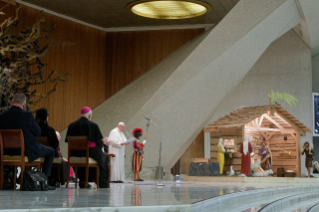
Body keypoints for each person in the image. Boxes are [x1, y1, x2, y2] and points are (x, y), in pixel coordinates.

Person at [0, 93, 56, 190]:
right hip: (26, 150)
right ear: (24, 105)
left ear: (12, 102)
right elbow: (38, 132)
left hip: (7, 151)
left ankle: (10, 179)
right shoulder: (28, 115)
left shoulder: (2, 116)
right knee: (51, 151)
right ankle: (44, 182)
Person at [65, 106, 109, 188]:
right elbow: (99, 143)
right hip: (89, 151)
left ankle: (82, 181)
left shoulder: (71, 125)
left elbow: (68, 142)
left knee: (91, 157)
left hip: (74, 153)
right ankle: (102, 184)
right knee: (104, 159)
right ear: (89, 116)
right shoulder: (93, 125)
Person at [35, 108, 67, 186]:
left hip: (36, 154)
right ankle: (53, 179)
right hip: (49, 156)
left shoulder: (34, 130)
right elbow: (56, 144)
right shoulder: (50, 130)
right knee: (58, 157)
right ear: (47, 117)